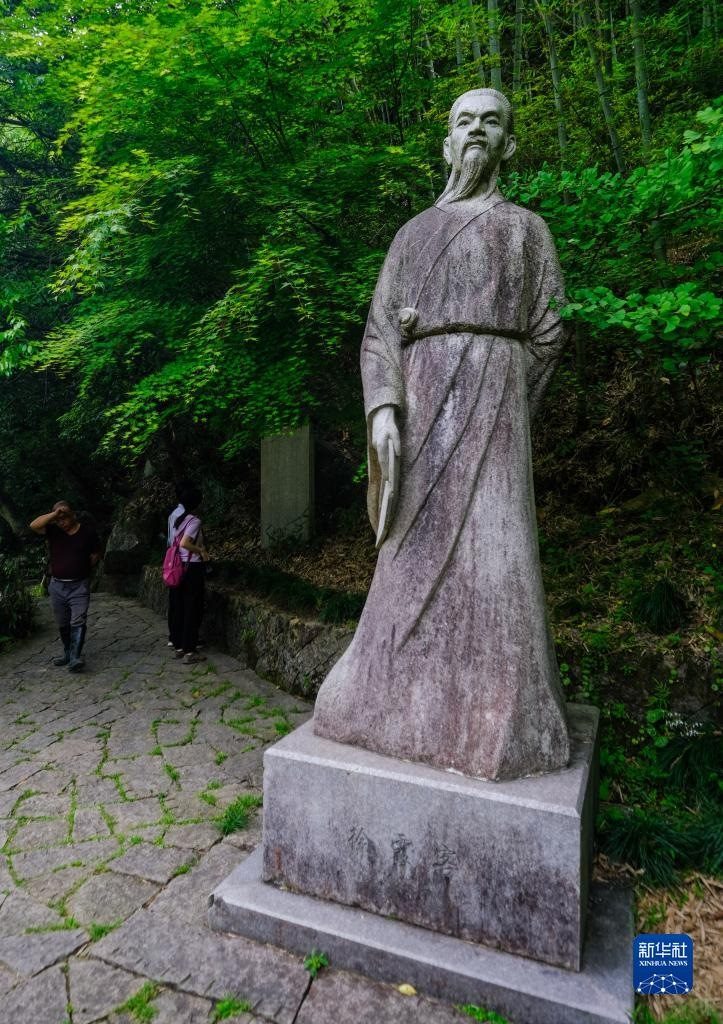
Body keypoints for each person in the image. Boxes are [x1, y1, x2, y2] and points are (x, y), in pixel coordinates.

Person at [314, 88, 570, 782]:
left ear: (510, 143)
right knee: (408, 554)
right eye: (464, 121)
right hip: (422, 408)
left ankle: (504, 715)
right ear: (446, 143)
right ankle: (386, 700)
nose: (477, 130)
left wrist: (505, 392)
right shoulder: (412, 234)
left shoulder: (527, 230)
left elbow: (549, 332)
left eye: (491, 121)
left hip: (497, 412)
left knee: (499, 556)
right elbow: (378, 334)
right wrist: (384, 409)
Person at [29, 501, 102, 671]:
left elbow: (96, 553)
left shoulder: (87, 532)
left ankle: (75, 657)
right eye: (58, 520)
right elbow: (34, 525)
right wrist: (55, 514)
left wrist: (83, 567)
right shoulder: (53, 531)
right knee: (62, 621)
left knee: (78, 619)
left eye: (64, 518)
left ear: (73, 515)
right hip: (57, 586)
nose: (61, 522)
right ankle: (68, 652)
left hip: (79, 585)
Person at [167, 484, 209, 665]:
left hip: (177, 567)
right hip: (191, 568)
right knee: (192, 608)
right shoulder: (194, 521)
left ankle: (178, 646)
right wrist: (201, 551)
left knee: (179, 607)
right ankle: (190, 651)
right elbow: (185, 543)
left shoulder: (178, 519)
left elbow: (175, 542)